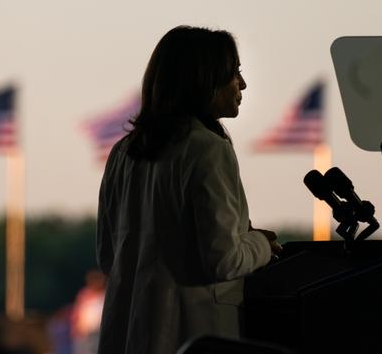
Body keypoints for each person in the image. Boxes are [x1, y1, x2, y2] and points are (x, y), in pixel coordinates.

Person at [96, 25, 281, 354]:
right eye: (233, 73)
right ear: (204, 80)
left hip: (125, 334)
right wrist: (262, 244)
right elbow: (223, 260)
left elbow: (108, 256)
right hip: (193, 336)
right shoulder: (206, 148)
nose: (243, 84)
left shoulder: (123, 153)